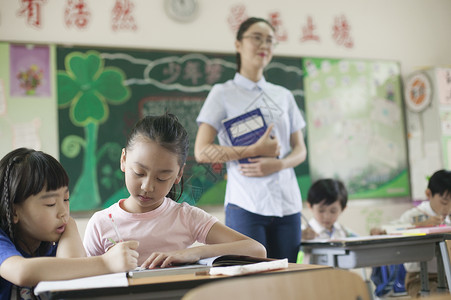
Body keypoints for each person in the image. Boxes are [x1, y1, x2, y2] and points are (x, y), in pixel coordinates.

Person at [83, 113, 266, 269]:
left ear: (178, 174)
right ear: (123, 160)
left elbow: (256, 249)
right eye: (139, 172)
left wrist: (195, 253)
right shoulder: (101, 224)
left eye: (162, 178)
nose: (147, 186)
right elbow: (81, 279)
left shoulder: (186, 217)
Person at [194, 17, 307, 263]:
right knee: (251, 278)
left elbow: (300, 150)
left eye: (270, 40)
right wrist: (254, 150)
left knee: (288, 276)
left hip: (288, 203)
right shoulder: (222, 94)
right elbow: (202, 151)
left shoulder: (283, 95)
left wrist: (278, 164)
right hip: (247, 204)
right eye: (256, 37)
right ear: (238, 44)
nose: (264, 45)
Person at [0, 148, 139, 300]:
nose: (63, 212)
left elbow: (71, 284)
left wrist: (70, 225)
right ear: (14, 212)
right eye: (50, 203)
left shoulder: (49, 246)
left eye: (66, 199)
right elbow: (21, 272)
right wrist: (105, 263)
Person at [370, 169, 451, 298]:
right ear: (428, 194)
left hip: (448, 276)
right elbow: (390, 229)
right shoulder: (415, 215)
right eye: (445, 202)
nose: (448, 208)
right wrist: (419, 226)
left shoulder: (449, 217)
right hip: (420, 279)